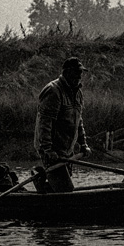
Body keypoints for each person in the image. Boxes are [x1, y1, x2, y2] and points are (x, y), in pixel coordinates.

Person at [34, 56, 91, 193]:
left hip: (67, 150)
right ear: (67, 73)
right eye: (76, 72)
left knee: (60, 188)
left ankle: (42, 185)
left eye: (80, 73)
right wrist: (48, 150)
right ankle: (42, 183)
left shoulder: (77, 93)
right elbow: (44, 124)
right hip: (53, 150)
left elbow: (79, 121)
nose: (79, 76)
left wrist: (83, 144)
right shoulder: (53, 91)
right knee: (65, 191)